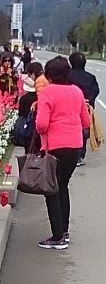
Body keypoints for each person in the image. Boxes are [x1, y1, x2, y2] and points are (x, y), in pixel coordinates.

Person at [35, 56, 90, 250]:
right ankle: (64, 231)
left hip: (55, 147)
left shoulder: (47, 92)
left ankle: (57, 237)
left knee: (51, 190)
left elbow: (42, 124)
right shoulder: (76, 91)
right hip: (74, 146)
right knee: (63, 186)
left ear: (48, 75)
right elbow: (86, 122)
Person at [68, 52, 100, 166]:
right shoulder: (91, 77)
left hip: (70, 107)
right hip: (86, 106)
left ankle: (71, 152)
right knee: (84, 129)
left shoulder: (67, 76)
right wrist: (89, 100)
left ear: (71, 63)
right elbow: (95, 90)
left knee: (71, 128)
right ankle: (80, 155)